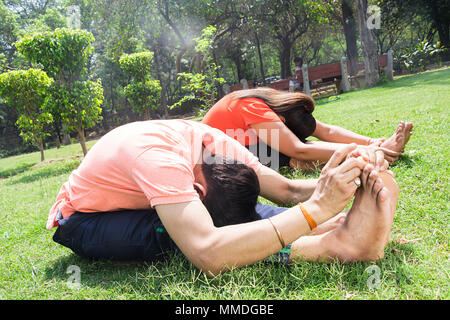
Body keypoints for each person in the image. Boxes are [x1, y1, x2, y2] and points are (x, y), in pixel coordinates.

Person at [48, 119, 398, 276]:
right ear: (196, 191)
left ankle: (339, 224)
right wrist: (314, 211)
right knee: (185, 235)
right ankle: (337, 245)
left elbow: (288, 189)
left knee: (242, 210)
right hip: (83, 220)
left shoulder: (217, 145)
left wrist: (341, 182)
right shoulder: (159, 159)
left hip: (169, 192)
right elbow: (207, 252)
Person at [202, 87, 413, 171]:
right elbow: (298, 148)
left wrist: (371, 141)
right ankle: (374, 157)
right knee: (291, 151)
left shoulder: (276, 100)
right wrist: (360, 149)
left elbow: (325, 131)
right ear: (281, 120)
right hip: (210, 159)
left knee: (292, 149)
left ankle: (377, 152)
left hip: (239, 144)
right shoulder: (255, 107)